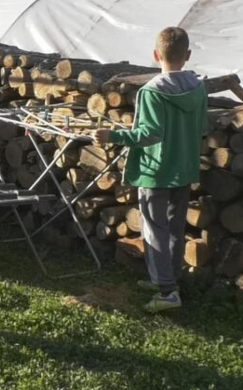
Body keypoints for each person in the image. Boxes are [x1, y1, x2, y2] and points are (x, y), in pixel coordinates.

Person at [92, 27, 207, 313]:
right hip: (184, 167)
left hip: (156, 170)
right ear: (188, 56)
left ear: (156, 54)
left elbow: (149, 134)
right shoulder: (199, 87)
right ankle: (169, 279)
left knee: (155, 229)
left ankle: (168, 292)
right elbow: (202, 126)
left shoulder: (151, 92)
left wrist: (113, 136)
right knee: (175, 228)